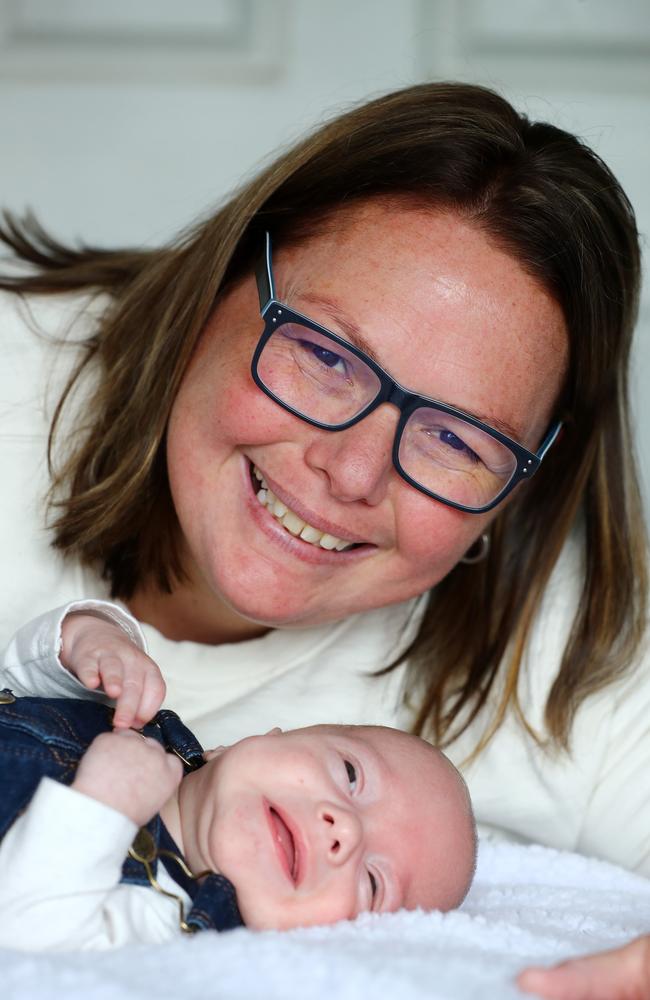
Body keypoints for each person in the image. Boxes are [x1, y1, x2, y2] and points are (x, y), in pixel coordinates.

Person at [0, 81, 648, 881]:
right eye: (328, 357)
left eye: (457, 437)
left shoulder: (563, 650)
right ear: (223, 278)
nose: (351, 473)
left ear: (525, 482)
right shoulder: (12, 373)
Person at [0, 602, 477, 951]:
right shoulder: (133, 718)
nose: (345, 831)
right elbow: (21, 684)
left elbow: (27, 943)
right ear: (257, 738)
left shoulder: (162, 925)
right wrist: (92, 637)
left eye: (373, 883)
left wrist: (103, 808)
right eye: (350, 775)